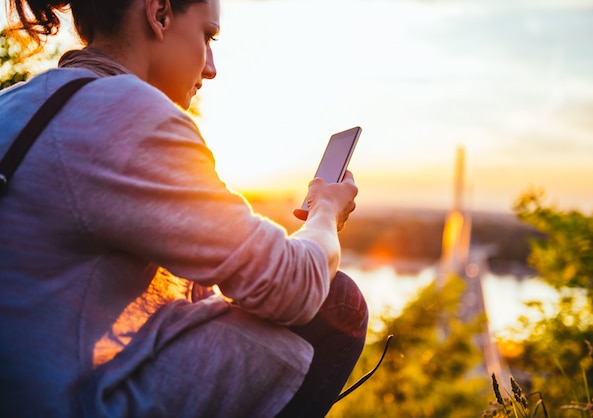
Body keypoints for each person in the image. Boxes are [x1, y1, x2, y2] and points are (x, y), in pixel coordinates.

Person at [0, 0, 368, 416]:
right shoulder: (125, 112)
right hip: (67, 403)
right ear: (159, 14)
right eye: (207, 37)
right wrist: (324, 213)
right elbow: (293, 286)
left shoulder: (14, 103)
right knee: (336, 301)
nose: (211, 67)